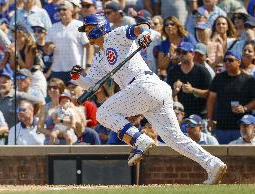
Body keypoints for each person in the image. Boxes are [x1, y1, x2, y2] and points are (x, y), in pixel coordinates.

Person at [72, 14, 227, 184]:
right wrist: (77, 77)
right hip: (150, 90)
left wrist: (145, 35)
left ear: (100, 27)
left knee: (103, 113)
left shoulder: (116, 34)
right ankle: (213, 165)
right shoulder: (99, 57)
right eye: (85, 30)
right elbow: (90, 84)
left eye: (89, 28)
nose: (87, 33)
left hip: (144, 84)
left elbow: (142, 26)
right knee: (174, 139)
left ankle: (140, 140)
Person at [207, 50, 255, 144]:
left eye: (230, 60)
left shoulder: (249, 80)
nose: (227, 62)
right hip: (222, 127)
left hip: (242, 128)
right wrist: (210, 119)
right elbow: (211, 99)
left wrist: (244, 108)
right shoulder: (218, 78)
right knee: (223, 156)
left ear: (239, 62)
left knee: (241, 157)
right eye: (225, 60)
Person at [167, 42, 212, 118]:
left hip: (200, 115)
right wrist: (175, 91)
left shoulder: (202, 71)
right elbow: (166, 97)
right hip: (180, 115)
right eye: (178, 52)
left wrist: (193, 90)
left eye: (184, 52)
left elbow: (210, 94)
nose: (181, 55)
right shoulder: (173, 71)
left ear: (192, 54)